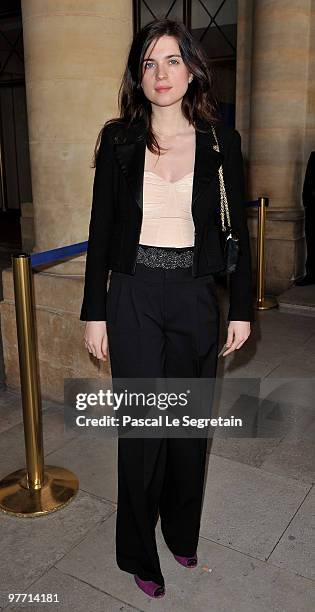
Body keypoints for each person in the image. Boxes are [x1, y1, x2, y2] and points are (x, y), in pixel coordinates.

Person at [80, 18, 254, 599]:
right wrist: (94, 311)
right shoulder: (119, 139)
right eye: (150, 63)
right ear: (139, 73)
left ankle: (182, 529)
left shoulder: (218, 141)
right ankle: (135, 548)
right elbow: (101, 230)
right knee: (144, 429)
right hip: (131, 295)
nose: (161, 74)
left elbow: (238, 234)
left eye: (173, 61)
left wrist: (241, 308)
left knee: (186, 426)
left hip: (195, 295)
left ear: (192, 69)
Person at [295, 151, 315, 285]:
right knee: (312, 241)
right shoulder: (314, 156)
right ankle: (312, 274)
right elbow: (308, 180)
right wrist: (306, 201)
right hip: (313, 208)